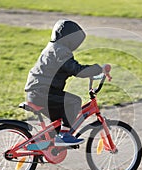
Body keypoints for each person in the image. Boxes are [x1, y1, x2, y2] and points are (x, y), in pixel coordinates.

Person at [24, 19, 108, 147]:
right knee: (74, 102)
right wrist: (99, 69)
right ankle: (65, 136)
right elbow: (76, 70)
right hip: (43, 93)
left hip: (37, 92)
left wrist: (93, 73)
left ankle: (42, 145)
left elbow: (66, 69)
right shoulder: (61, 51)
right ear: (70, 39)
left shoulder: (53, 48)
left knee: (58, 122)